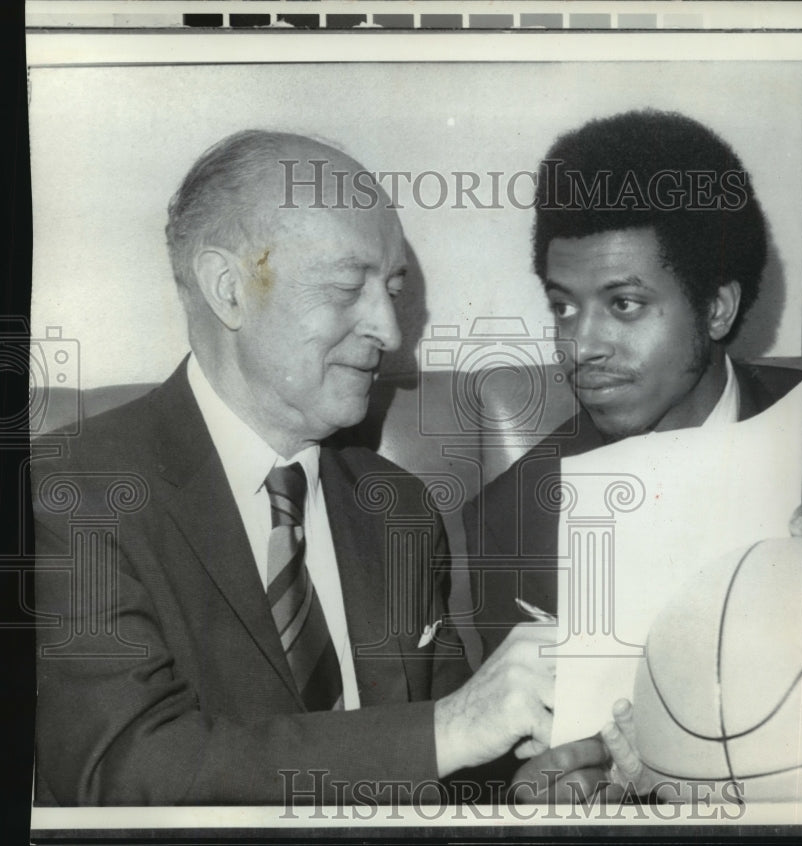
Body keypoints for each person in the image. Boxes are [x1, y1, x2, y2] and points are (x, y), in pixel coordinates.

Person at [31, 130, 558, 806]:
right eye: (347, 286)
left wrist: (546, 772)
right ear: (228, 290)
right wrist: (449, 729)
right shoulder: (72, 490)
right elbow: (122, 772)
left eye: (393, 290)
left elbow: (454, 771)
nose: (390, 332)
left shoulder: (396, 506)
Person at [463, 110, 802, 797]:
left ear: (716, 308)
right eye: (564, 306)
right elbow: (537, 768)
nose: (580, 345)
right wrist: (580, 787)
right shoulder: (513, 518)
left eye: (623, 305)